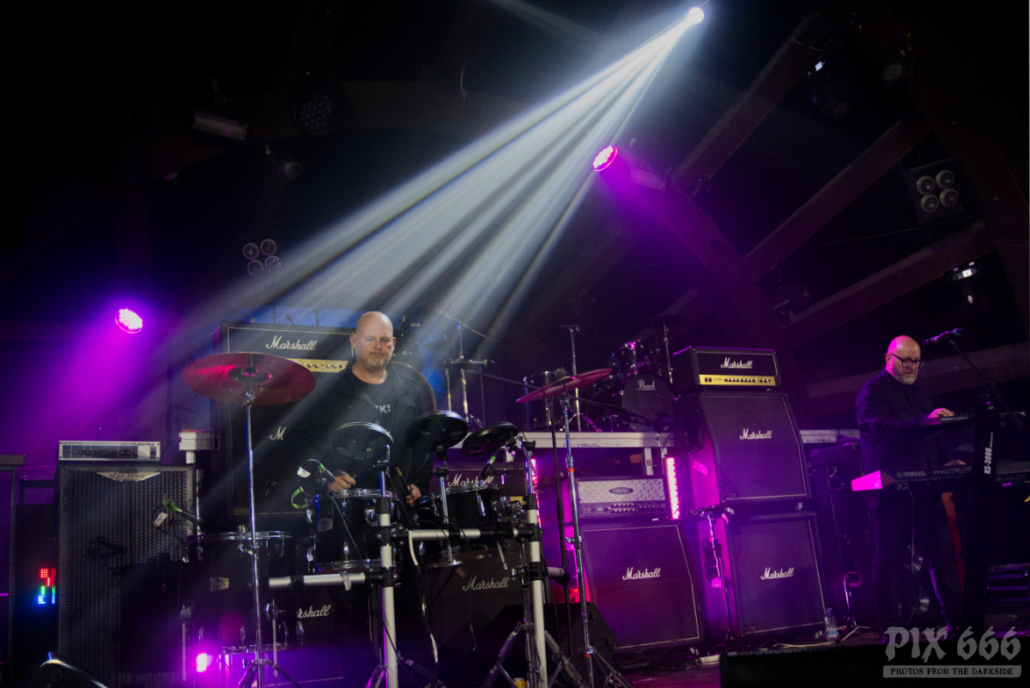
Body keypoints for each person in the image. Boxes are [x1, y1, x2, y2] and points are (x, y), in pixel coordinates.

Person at [856, 335, 963, 634]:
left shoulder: (920, 394)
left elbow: (935, 436)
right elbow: (885, 428)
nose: (913, 367)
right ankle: (889, 626)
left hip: (926, 489)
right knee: (889, 560)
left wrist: (947, 462)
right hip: (892, 493)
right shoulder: (872, 392)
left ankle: (958, 621)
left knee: (943, 556)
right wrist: (926, 421)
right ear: (889, 359)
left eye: (917, 361)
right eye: (906, 361)